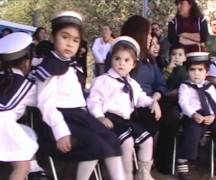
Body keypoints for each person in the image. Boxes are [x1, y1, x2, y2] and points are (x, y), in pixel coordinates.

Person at [32, 11, 125, 180]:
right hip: (61, 119)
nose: (70, 44)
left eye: (75, 40)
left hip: (80, 117)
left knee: (110, 139)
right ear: (53, 37)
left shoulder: (70, 64)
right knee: (94, 144)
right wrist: (60, 131)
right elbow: (45, 104)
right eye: (64, 37)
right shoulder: (51, 66)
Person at [87, 36, 161, 180]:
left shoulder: (132, 83)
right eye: (117, 59)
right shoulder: (103, 80)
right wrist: (99, 116)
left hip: (126, 120)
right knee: (127, 142)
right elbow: (94, 101)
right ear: (111, 59)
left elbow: (140, 97)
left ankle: (143, 173)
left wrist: (152, 102)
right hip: (109, 119)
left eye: (126, 60)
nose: (121, 63)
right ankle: (126, 174)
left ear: (133, 64)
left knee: (148, 140)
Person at [176, 52, 216, 180]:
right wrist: (193, 114)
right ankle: (183, 161)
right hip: (192, 116)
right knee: (193, 129)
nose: (196, 73)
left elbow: (214, 102)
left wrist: (212, 116)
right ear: (187, 71)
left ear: (206, 72)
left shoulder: (209, 86)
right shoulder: (185, 86)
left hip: (209, 116)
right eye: (192, 70)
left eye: (200, 70)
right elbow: (183, 103)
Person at [0, 32, 48, 180]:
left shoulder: (3, 75)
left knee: (25, 133)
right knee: (22, 166)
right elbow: (42, 100)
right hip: (3, 126)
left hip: (7, 125)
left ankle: (35, 169)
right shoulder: (24, 84)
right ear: (27, 62)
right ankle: (33, 169)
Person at [121, 15, 166, 136]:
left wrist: (155, 98)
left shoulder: (149, 59)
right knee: (147, 116)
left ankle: (164, 154)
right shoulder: (121, 57)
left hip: (152, 100)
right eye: (149, 34)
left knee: (171, 114)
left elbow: (160, 83)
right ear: (139, 34)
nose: (151, 38)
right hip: (131, 101)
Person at [155, 44, 188, 174]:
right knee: (170, 121)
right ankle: (163, 162)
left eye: (180, 55)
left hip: (183, 104)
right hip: (166, 103)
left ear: (185, 57)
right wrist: (169, 68)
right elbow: (160, 82)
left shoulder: (187, 70)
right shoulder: (165, 68)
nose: (177, 57)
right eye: (174, 54)